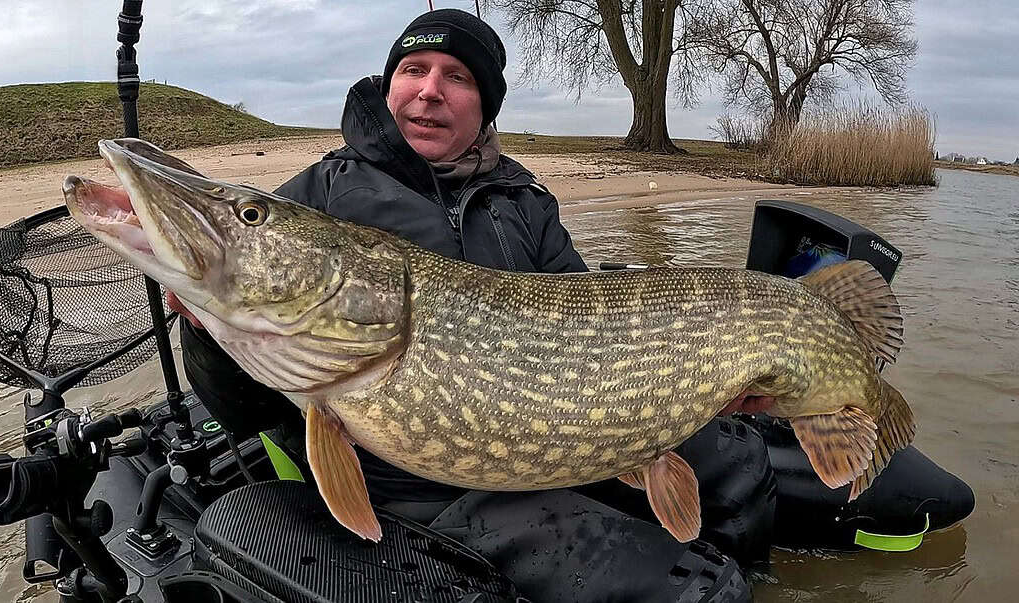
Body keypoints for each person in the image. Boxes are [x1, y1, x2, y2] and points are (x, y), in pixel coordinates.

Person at [174, 8, 766, 600]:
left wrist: (704, 374)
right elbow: (247, 410)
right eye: (413, 69)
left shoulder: (525, 201)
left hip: (552, 437)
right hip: (424, 488)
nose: (429, 90)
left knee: (742, 468)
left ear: (484, 105)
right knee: (700, 593)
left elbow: (592, 327)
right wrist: (206, 330)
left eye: (456, 77)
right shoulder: (317, 197)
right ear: (389, 87)